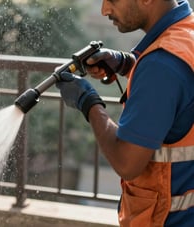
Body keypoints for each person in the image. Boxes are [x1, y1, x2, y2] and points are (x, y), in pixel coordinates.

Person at [55, 0, 194, 226]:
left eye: (113, 0)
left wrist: (87, 102)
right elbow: (180, 90)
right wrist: (127, 63)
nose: (104, 10)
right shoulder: (187, 33)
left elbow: (127, 163)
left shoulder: (161, 65)